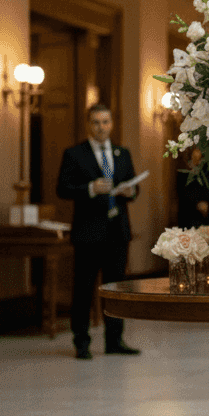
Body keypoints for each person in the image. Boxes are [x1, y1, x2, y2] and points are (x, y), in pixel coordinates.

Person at [55, 104, 140, 360]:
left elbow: (134, 187)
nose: (101, 127)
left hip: (118, 231)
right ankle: (81, 342)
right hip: (88, 233)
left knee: (116, 290)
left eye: (105, 122)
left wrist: (130, 191)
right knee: (83, 289)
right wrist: (90, 188)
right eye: (95, 122)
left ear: (112, 124)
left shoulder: (122, 153)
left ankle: (115, 340)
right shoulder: (74, 154)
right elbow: (63, 189)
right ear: (88, 125)